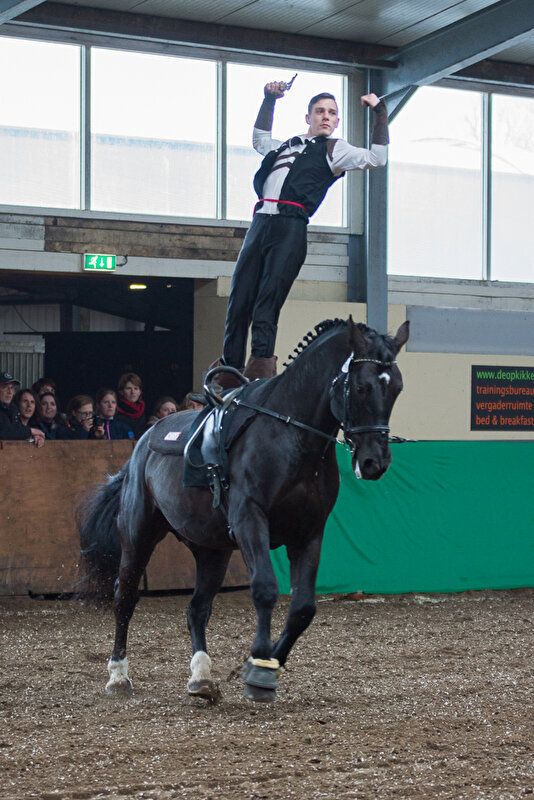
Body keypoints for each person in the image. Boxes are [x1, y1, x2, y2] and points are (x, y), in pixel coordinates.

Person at [213, 83, 389, 388]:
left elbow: (377, 158)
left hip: (291, 226)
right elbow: (259, 139)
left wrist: (380, 112)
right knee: (239, 299)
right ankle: (228, 373)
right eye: (320, 111)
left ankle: (259, 374)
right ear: (307, 117)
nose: (326, 116)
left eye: (332, 113)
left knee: (266, 304)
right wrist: (269, 99)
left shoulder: (335, 149)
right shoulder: (285, 146)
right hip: (260, 221)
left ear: (336, 122)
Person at [0, 372, 44, 446]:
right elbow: (5, 432)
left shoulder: (13, 410)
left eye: (12, 388)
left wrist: (32, 437)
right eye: (5, 387)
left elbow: (17, 430)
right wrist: (30, 431)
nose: (10, 392)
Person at [116, 372, 146, 439]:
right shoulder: (116, 410)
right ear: (121, 391)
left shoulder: (143, 410)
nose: (133, 392)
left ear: (140, 392)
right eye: (128, 388)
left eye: (136, 388)